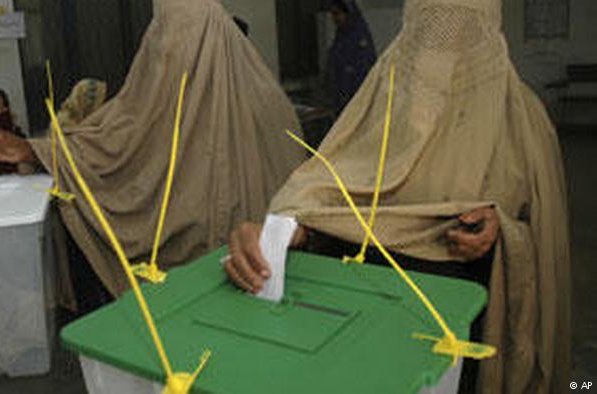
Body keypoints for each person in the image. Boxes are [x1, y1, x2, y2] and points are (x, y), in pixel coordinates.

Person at [225, 0, 570, 393]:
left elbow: (542, 248)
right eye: (428, 34)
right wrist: (285, 232)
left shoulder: (527, 123)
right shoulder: (381, 106)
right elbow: (326, 196)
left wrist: (501, 230)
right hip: (362, 337)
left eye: (463, 35)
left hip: (462, 343)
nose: (439, 57)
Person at [0, 0, 306, 299]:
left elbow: (117, 148)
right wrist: (39, 151)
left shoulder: (261, 108)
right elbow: (113, 137)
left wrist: (41, 152)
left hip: (254, 282)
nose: (164, 53)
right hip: (254, 289)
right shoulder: (270, 104)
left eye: (172, 41)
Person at [327, 0, 377, 114]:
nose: (334, 19)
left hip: (356, 103)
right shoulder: (340, 38)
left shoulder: (359, 38)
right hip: (341, 103)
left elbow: (363, 73)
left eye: (337, 14)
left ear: (348, 14)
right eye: (332, 14)